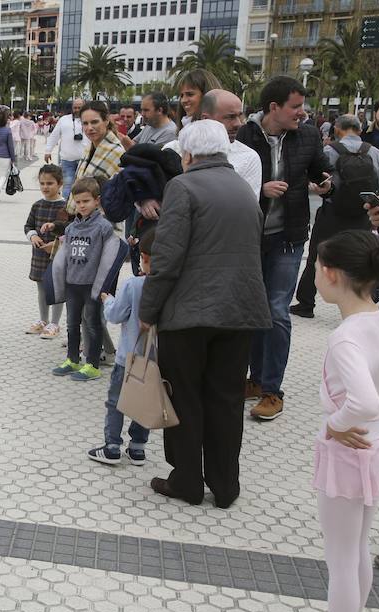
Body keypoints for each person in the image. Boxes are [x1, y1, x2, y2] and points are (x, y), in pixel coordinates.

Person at [139, 120, 271, 508]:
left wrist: (148, 310)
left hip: (190, 314)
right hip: (241, 312)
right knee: (227, 398)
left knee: (185, 396)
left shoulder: (182, 186)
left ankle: (186, 481)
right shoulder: (245, 192)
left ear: (188, 155)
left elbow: (166, 258)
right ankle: (226, 484)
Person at [237, 76, 333, 421]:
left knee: (277, 311)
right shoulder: (244, 136)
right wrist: (259, 188)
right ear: (274, 107)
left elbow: (323, 170)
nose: (302, 112)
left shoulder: (307, 134)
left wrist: (326, 184)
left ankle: (271, 390)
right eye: (295, 106)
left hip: (289, 238)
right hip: (250, 238)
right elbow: (230, 180)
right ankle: (254, 378)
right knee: (251, 311)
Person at [310, 230, 379, 612]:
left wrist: (334, 425)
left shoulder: (345, 337)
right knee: (358, 548)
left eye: (316, 269)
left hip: (347, 452)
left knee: (339, 560)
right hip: (376, 448)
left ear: (332, 274)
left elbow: (364, 399)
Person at [292, 114, 379, 318]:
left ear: (337, 129)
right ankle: (361, 307)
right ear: (360, 130)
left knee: (317, 257)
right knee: (362, 259)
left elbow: (318, 182)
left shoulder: (329, 151)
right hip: (363, 214)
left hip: (332, 214)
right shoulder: (375, 153)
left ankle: (306, 303)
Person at [89, 228, 155, 466]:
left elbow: (116, 315)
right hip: (156, 362)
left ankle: (112, 447)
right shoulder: (177, 288)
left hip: (127, 358)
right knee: (144, 403)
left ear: (145, 258)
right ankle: (137, 448)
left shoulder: (134, 285)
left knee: (116, 402)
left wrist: (108, 300)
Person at [49, 177, 119, 381]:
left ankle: (93, 364)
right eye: (78, 202)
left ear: (97, 201)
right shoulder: (71, 228)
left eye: (86, 201)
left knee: (92, 323)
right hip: (73, 283)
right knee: (72, 323)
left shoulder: (104, 227)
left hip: (92, 285)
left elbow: (110, 258)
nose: (82, 205)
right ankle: (72, 359)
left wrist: (103, 285)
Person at [164, 90, 262, 199]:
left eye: (239, 116)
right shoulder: (173, 150)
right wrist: (147, 200)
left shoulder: (249, 157)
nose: (238, 124)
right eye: (230, 117)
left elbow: (245, 209)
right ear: (206, 119)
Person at [24, 164, 68, 339]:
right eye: (42, 183)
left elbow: (68, 230)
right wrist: (33, 236)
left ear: (60, 184)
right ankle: (43, 320)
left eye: (50, 183)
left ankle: (54, 324)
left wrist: (56, 245)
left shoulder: (66, 207)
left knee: (57, 289)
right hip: (39, 256)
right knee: (41, 289)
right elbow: (28, 225)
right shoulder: (37, 205)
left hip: (58, 257)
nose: (45, 187)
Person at [66, 101, 125, 215]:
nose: (89, 128)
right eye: (85, 123)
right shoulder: (89, 148)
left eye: (94, 122)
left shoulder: (117, 152)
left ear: (106, 120)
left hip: (101, 223)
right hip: (79, 219)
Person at [45, 98, 87, 198]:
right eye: (75, 107)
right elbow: (54, 136)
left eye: (79, 107)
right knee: (67, 186)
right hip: (67, 160)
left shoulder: (88, 120)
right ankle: (66, 208)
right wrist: (48, 151)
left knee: (84, 187)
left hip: (84, 160)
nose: (77, 110)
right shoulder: (64, 120)